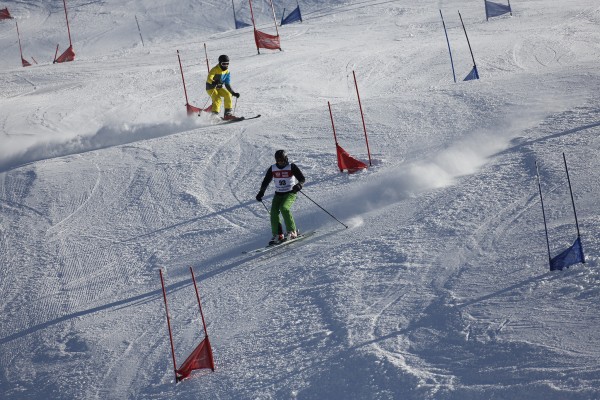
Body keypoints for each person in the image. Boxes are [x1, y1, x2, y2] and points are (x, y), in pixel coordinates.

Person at [256, 150, 306, 245]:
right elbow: (266, 181)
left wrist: (299, 185)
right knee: (274, 212)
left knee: (284, 208)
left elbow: (302, 179)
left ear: (286, 159)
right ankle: (278, 234)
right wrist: (261, 192)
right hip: (278, 194)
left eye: (282, 160)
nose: (281, 163)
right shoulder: (273, 168)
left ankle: (292, 231)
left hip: (290, 192)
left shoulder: (291, 166)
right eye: (278, 161)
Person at [206, 54, 240, 120]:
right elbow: (209, 79)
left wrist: (233, 92)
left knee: (228, 94)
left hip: (218, 88)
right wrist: (214, 82)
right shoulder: (214, 69)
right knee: (217, 99)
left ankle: (227, 114)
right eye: (224, 64)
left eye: (227, 64)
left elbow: (227, 84)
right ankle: (214, 116)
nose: (226, 66)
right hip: (210, 87)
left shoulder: (227, 72)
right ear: (220, 63)